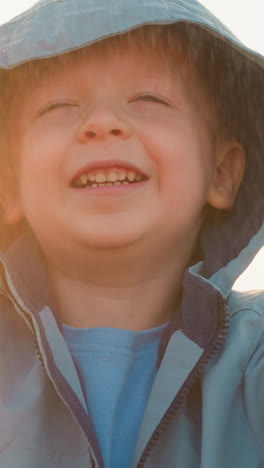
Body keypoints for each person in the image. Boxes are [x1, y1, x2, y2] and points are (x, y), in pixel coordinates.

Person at [0, 0, 263, 467]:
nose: (101, 124)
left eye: (149, 99)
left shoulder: (254, 359)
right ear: (10, 185)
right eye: (59, 105)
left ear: (221, 171)